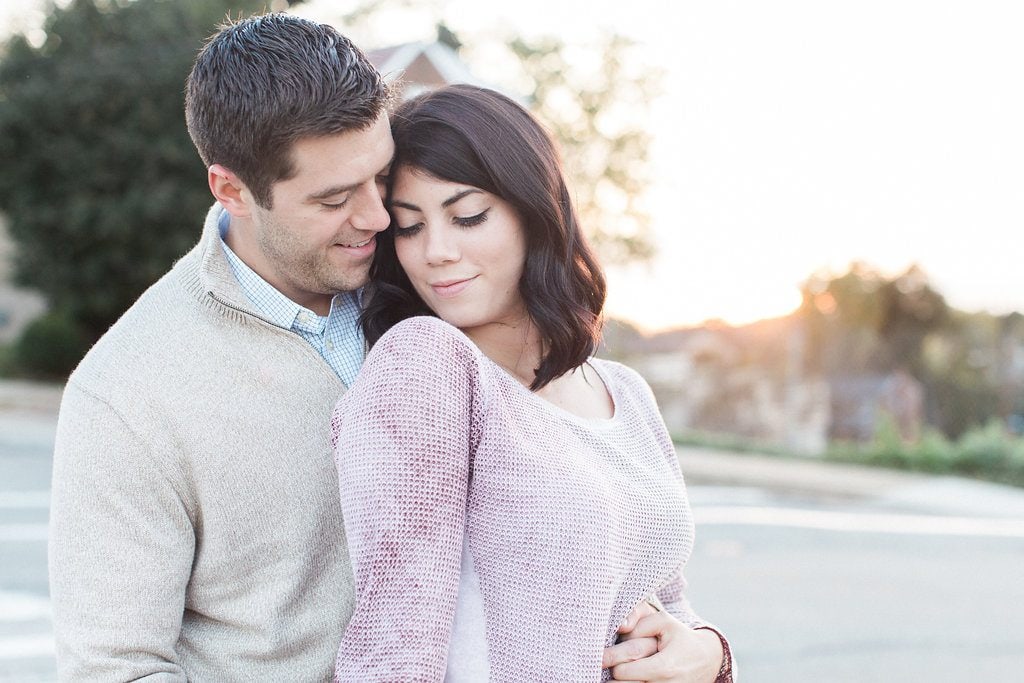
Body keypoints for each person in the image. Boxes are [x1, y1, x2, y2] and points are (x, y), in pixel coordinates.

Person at [331, 84, 734, 682]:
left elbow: (662, 601)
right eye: (410, 228)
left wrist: (709, 650)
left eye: (468, 216)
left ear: (534, 210)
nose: (436, 251)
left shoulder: (626, 393)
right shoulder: (425, 368)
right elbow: (393, 643)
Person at [47, 13, 393, 680]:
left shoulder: (435, 280)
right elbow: (115, 667)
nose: (377, 214)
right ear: (231, 189)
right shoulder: (126, 393)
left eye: (382, 174)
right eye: (334, 198)